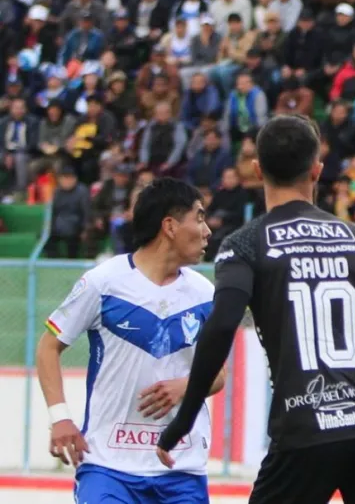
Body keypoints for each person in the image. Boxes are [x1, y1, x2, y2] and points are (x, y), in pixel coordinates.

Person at [156, 115, 355, 504]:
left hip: (304, 429)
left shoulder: (245, 244)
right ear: (317, 169)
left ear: (256, 169)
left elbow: (221, 328)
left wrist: (183, 419)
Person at [36, 178, 221, 503]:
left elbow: (219, 374)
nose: (207, 231)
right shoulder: (104, 283)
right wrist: (60, 417)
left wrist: (186, 386)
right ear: (170, 226)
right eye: (200, 217)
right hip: (108, 465)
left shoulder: (204, 293)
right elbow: (48, 346)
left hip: (182, 468)